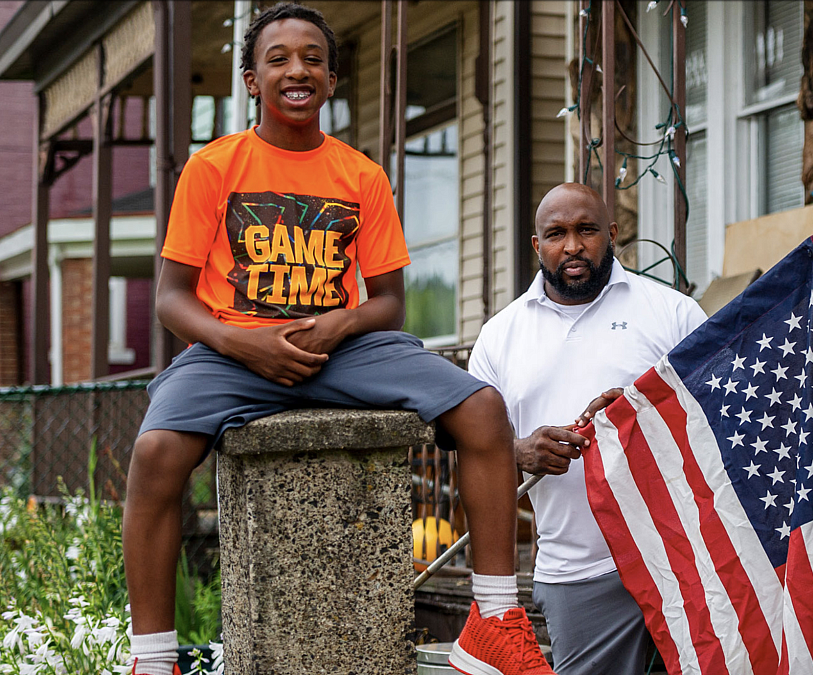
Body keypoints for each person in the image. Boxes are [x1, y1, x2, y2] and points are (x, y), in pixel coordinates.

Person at [122, 5, 552, 675]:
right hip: (231, 350)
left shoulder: (360, 175)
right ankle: (152, 660)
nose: (299, 69)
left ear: (331, 79)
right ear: (251, 80)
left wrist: (337, 323)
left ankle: (493, 619)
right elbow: (173, 299)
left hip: (340, 347)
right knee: (154, 452)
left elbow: (388, 301)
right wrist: (246, 343)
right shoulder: (213, 168)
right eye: (280, 58)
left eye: (314, 58)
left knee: (484, 408)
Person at [467, 183, 707, 674]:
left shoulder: (673, 314)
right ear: (537, 245)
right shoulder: (500, 337)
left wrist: (645, 416)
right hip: (577, 569)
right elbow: (472, 449)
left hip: (681, 558)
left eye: (587, 230)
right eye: (556, 233)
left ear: (612, 234)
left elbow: (717, 421)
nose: (572, 246)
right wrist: (516, 452)